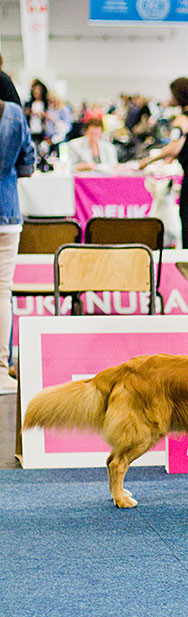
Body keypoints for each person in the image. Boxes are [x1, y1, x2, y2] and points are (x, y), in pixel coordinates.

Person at [138, 77, 188, 249]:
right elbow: (186, 145)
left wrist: (148, 160)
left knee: (185, 211)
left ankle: (187, 253)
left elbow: (174, 147)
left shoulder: (183, 118)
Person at [0, 95, 36, 394]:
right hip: (6, 212)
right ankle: (1, 369)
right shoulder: (11, 113)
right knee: (2, 292)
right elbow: (28, 164)